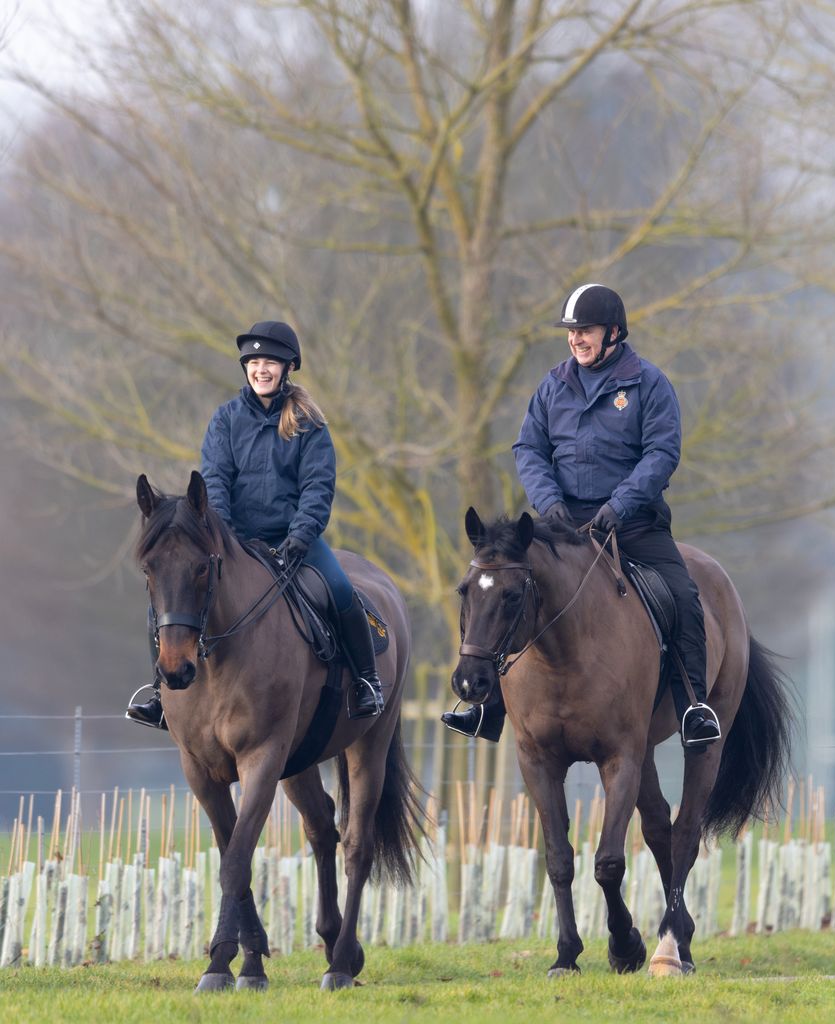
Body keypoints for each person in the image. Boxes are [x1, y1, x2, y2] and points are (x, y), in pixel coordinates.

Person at [442, 284, 721, 748]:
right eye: (571, 332)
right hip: (560, 524)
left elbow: (662, 451)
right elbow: (528, 447)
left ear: (613, 332)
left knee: (684, 595)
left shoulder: (648, 384)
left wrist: (619, 505)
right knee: (501, 587)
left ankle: (694, 705)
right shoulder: (553, 384)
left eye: (585, 331)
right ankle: (484, 708)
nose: (576, 339)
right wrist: (550, 503)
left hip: (632, 523)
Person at [126, 320, 384, 727]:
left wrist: (301, 535)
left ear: (288, 368)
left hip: (294, 540)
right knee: (168, 597)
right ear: (245, 367)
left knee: (339, 588)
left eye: (271, 362)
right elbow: (214, 483)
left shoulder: (310, 424)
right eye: (255, 361)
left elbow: (318, 485)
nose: (261, 369)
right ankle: (159, 695)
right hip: (234, 540)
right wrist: (224, 537)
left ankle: (367, 682)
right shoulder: (225, 420)